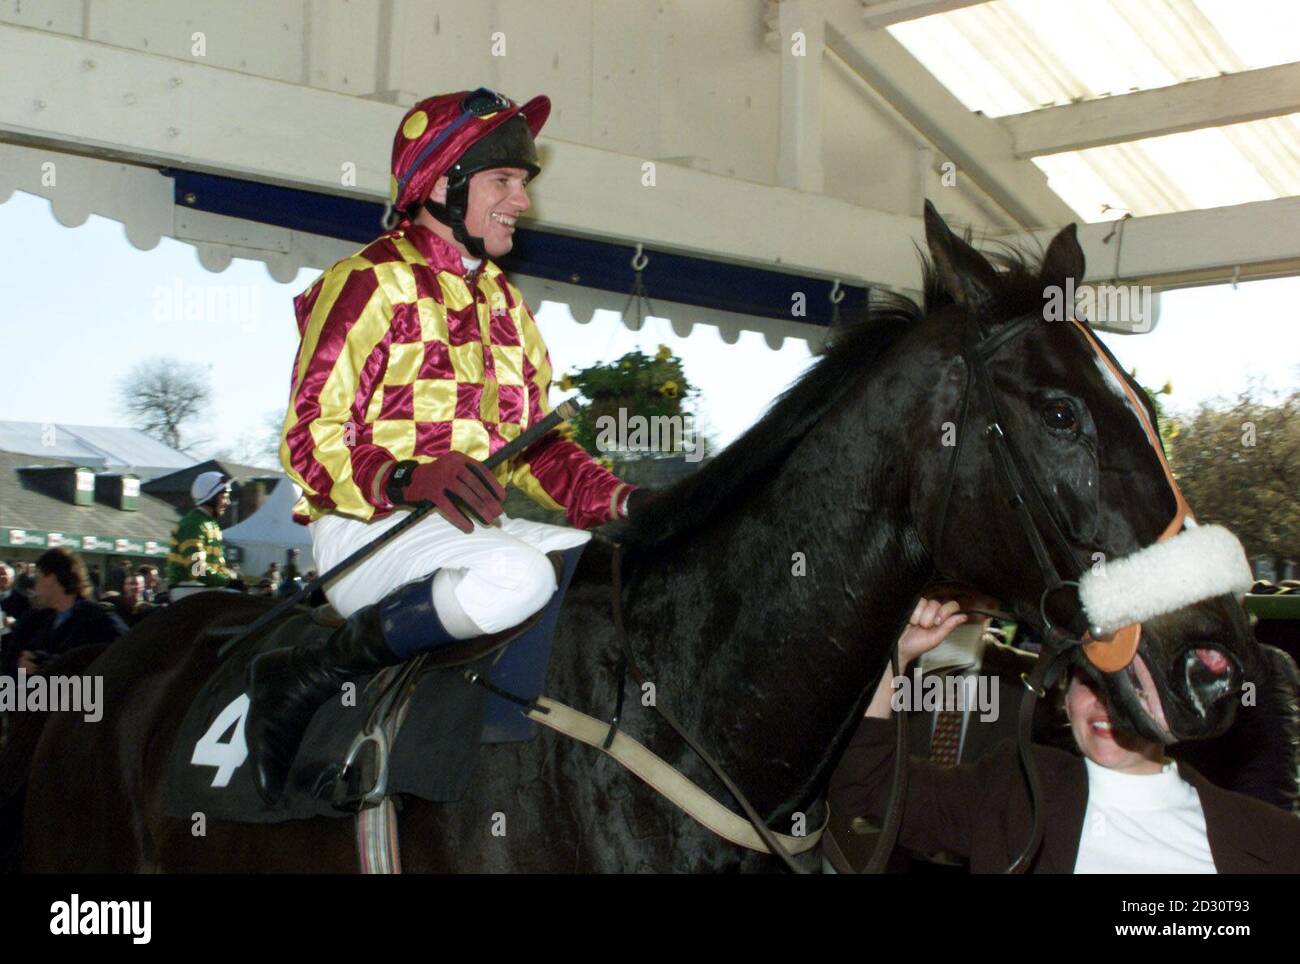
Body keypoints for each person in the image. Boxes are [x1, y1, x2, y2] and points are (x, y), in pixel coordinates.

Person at [247, 86, 649, 803]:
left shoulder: (507, 306)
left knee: (616, 569)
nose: (521, 201)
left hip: (469, 533)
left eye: (522, 183)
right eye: (503, 181)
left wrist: (627, 501)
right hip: (367, 533)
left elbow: (540, 450)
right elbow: (310, 438)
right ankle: (309, 672)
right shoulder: (367, 282)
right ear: (440, 186)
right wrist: (403, 478)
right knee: (519, 578)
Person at [827, 599, 1300, 873]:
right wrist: (896, 656)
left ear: (1173, 699)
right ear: (1065, 698)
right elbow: (868, 786)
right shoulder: (1013, 791)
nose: (1106, 704)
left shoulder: (1271, 840)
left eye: (1130, 686)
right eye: (1089, 683)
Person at [4, 548, 127, 674]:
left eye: (38, 577)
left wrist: (57, 666)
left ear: (51, 578)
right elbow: (10, 664)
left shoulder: (98, 619)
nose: (35, 586)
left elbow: (124, 657)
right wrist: (22, 667)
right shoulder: (35, 620)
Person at [166, 472, 242, 600]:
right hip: (186, 589)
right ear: (211, 497)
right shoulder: (193, 524)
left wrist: (233, 577)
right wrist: (227, 582)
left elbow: (217, 568)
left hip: (201, 586)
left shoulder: (210, 523)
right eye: (224, 497)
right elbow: (197, 570)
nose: (228, 502)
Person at [0, 562, 31, 635]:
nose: (0, 577)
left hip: (10, 641)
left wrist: (15, 622)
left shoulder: (23, 600)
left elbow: (29, 623)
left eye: (3, 574)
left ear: (11, 579)